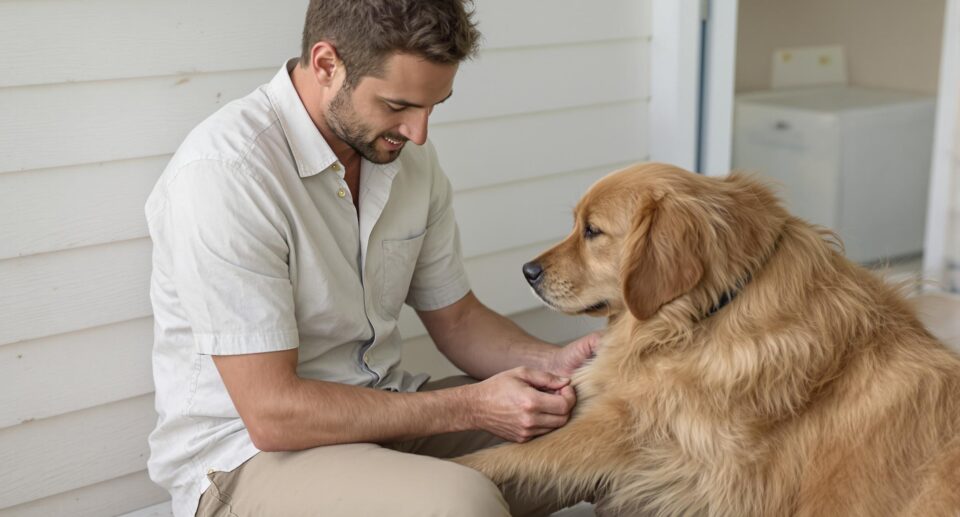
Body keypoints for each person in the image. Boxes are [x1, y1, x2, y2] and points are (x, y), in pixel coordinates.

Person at [145, 0, 599, 515]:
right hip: (248, 459)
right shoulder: (227, 174)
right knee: (459, 504)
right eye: (398, 105)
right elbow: (273, 415)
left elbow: (457, 318)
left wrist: (554, 363)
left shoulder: (406, 159)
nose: (419, 132)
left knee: (610, 431)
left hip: (388, 420)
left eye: (435, 106)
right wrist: (470, 406)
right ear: (325, 64)